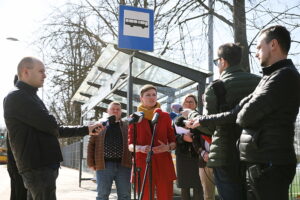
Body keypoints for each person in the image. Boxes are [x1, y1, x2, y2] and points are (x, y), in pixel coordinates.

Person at [187, 25, 300, 200]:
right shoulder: (265, 79)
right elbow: (236, 112)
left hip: (269, 162)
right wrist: (202, 119)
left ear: (273, 44)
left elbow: (243, 115)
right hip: (258, 161)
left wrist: (196, 118)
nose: (256, 54)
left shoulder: (284, 76)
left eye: (259, 47)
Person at [3, 56, 104, 200]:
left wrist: (87, 129)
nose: (45, 75)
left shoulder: (28, 95)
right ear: (26, 72)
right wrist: (84, 129)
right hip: (38, 167)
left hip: (41, 167)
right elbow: (52, 126)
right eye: (41, 71)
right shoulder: (18, 96)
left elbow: (53, 127)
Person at [188, 43, 260, 200]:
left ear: (222, 61)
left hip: (226, 154)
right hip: (256, 150)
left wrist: (192, 116)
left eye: (216, 62)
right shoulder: (260, 82)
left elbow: (210, 127)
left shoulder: (216, 88)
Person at [128, 84, 176, 200]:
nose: (152, 97)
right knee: (144, 196)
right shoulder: (134, 118)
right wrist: (140, 148)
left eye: (154, 95)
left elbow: (174, 141)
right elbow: (130, 145)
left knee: (165, 196)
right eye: (148, 95)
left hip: (163, 162)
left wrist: (167, 147)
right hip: (143, 163)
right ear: (141, 98)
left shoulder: (165, 116)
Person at [87, 101, 132, 200]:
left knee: (125, 196)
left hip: (124, 165)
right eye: (113, 109)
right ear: (108, 111)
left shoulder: (127, 126)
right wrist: (90, 163)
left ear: (121, 112)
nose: (115, 111)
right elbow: (91, 145)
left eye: (118, 109)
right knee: (102, 195)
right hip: (104, 165)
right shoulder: (99, 125)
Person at [174, 94, 203, 200]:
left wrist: (194, 138)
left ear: (196, 105)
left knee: (198, 186)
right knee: (184, 187)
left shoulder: (200, 118)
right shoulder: (177, 120)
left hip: (198, 155)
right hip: (183, 156)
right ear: (182, 104)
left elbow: (205, 135)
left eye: (191, 102)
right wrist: (182, 138)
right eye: (186, 102)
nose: (189, 104)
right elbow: (173, 137)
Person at [6, 74, 29, 200]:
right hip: (20, 164)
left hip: (16, 164)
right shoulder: (18, 100)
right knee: (20, 192)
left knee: (17, 191)